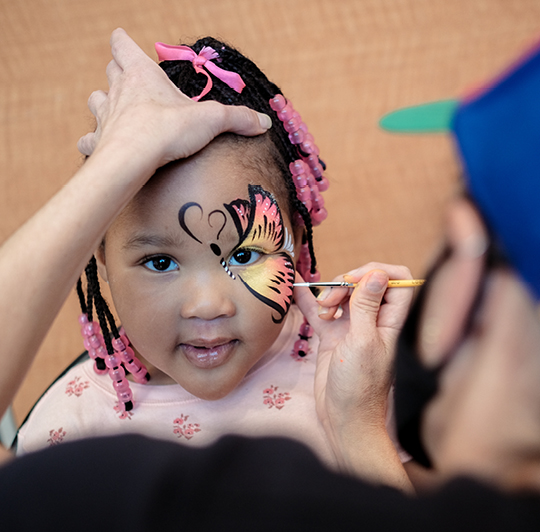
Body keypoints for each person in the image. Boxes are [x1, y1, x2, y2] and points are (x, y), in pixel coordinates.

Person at [10, 28, 413, 488]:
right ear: (99, 256)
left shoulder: (356, 385)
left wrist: (359, 426)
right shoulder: (67, 429)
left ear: (297, 242)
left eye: (243, 254)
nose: (207, 305)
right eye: (160, 262)